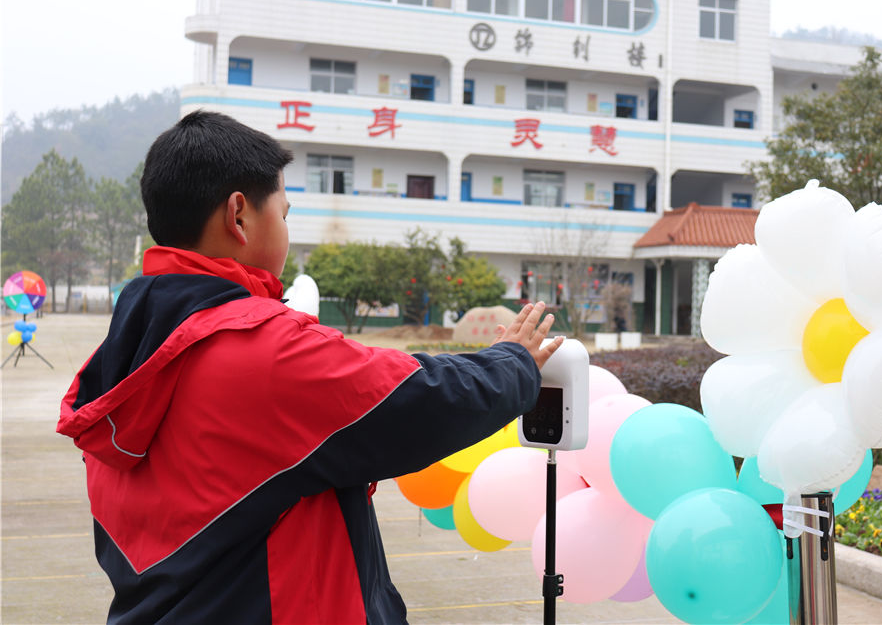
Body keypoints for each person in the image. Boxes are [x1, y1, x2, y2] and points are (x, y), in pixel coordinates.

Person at [56, 111, 563, 624]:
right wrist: (514, 363)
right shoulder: (262, 349)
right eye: (284, 211)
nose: (286, 227)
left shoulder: (124, 354)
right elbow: (420, 400)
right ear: (239, 216)